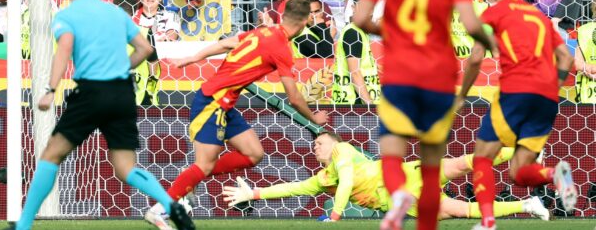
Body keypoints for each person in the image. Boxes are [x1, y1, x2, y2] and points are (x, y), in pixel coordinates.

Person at [11, 0, 194, 230]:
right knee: (126, 167)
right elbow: (144, 49)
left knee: (51, 155)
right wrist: (122, 66)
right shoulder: (114, 12)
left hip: (90, 92)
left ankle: (23, 225)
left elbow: (64, 50)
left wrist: (50, 90)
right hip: (121, 92)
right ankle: (170, 205)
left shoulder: (66, 15)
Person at [352, 0, 496, 229]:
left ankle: (398, 192)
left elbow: (361, 17)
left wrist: (387, 30)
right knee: (431, 167)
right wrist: (493, 46)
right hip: (439, 74)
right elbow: (473, 26)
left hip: (401, 70)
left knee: (391, 149)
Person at [145, 0, 329, 229]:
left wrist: (193, 58)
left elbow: (226, 43)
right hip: (212, 101)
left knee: (253, 154)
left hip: (226, 103)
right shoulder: (281, 47)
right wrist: (313, 119)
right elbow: (293, 96)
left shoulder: (264, 33)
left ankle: (190, 176)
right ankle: (159, 210)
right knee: (204, 165)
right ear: (304, 22)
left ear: (283, 16)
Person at [458, 0, 577, 230]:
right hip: (546, 98)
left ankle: (488, 222)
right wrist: (552, 87)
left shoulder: (492, 14)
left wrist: (461, 95)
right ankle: (554, 174)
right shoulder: (539, 17)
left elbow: (476, 57)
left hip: (515, 90)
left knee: (483, 158)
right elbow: (566, 58)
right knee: (518, 173)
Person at [222, 132, 550, 222]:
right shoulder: (324, 178)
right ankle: (529, 204)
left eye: (319, 143)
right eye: (314, 146)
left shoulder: (344, 151)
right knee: (461, 211)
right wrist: (254, 195)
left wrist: (335, 215)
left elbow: (349, 181)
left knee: (463, 164)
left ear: (334, 143)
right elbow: (293, 187)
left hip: (410, 176)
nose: (315, 149)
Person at [332, 0, 379, 105]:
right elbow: (355, 73)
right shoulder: (353, 33)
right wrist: (370, 107)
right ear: (353, 8)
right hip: (354, 105)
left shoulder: (361, 32)